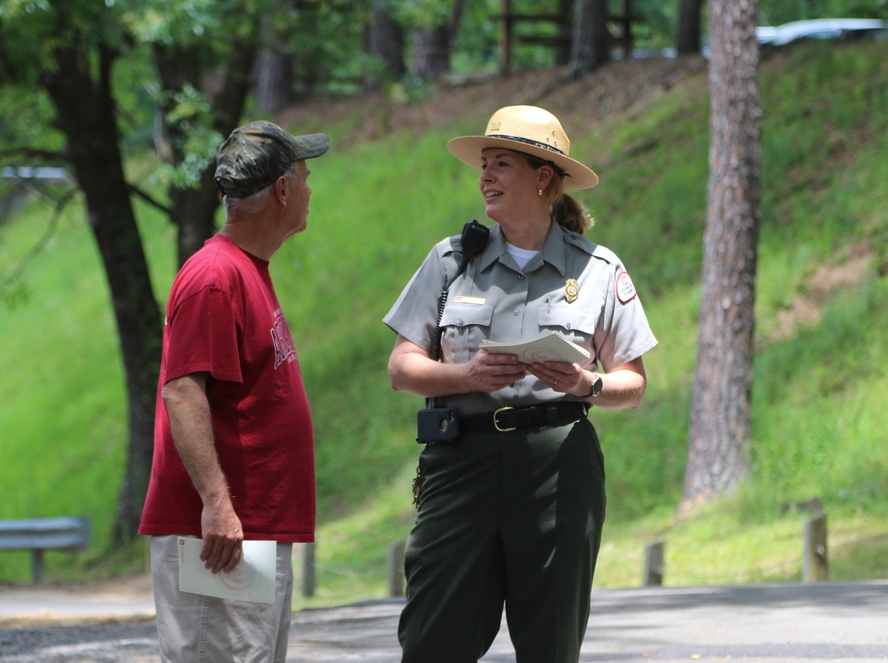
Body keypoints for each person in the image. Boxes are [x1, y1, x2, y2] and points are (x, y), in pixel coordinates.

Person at [383, 104, 657, 662]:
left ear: (543, 178)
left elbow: (634, 382)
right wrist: (466, 374)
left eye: (500, 164)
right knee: (432, 638)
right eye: (483, 164)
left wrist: (588, 384)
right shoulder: (451, 261)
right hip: (461, 461)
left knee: (550, 641)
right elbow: (402, 368)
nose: (484, 177)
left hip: (559, 465)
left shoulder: (598, 269)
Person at [139, 120, 329, 663]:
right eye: (305, 175)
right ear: (283, 190)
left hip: (250, 529)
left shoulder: (247, 271)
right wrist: (218, 506)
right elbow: (182, 393)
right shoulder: (215, 278)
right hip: (222, 535)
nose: (312, 189)